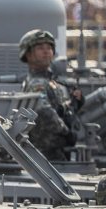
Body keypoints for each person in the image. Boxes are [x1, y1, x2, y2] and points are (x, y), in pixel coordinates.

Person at [19, 29, 83, 161]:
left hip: (57, 152)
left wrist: (77, 101)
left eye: (49, 47)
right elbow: (45, 112)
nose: (46, 51)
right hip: (46, 154)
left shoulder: (53, 82)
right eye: (40, 48)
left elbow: (63, 109)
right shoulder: (37, 84)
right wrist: (67, 132)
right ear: (28, 54)